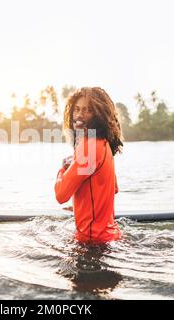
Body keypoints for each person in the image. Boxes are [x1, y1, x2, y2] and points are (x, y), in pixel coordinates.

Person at [54, 87, 124, 244]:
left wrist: (63, 169)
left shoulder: (88, 147)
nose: (79, 115)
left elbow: (61, 195)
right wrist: (81, 207)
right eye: (77, 109)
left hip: (92, 243)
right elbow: (113, 189)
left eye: (88, 110)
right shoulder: (104, 143)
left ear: (99, 115)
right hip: (111, 236)